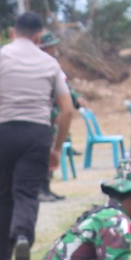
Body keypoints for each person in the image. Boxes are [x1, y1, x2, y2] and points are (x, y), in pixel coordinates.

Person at [0, 12, 74, 260]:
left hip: (4, 130)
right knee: (27, 193)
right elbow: (67, 110)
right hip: (37, 132)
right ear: (39, 36)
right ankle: (21, 237)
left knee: (3, 194)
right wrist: (56, 145)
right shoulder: (50, 63)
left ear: (11, 32)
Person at [37, 30, 77, 201]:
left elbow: (67, 89)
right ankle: (40, 189)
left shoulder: (52, 64)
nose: (55, 49)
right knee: (43, 152)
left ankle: (46, 187)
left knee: (51, 150)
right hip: (45, 115)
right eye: (52, 46)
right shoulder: (41, 65)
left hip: (53, 115)